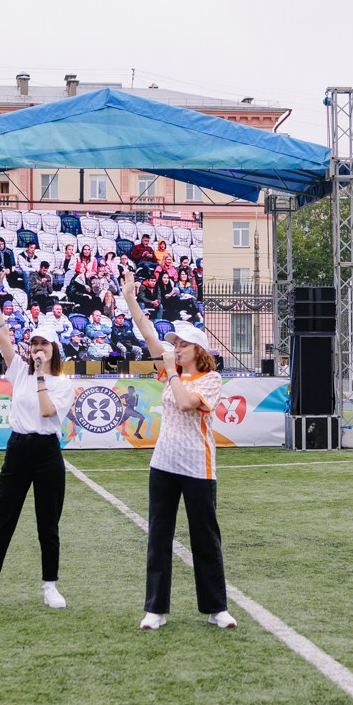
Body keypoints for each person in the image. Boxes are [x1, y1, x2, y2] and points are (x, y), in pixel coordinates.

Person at [123, 269, 235, 631]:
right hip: (164, 464)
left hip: (198, 468)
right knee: (159, 536)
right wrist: (130, 300)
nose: (176, 348)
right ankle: (155, 609)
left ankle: (216, 608)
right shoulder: (172, 369)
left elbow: (188, 404)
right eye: (176, 344)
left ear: (197, 350)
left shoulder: (210, 379)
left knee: (205, 538)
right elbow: (149, 335)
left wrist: (171, 372)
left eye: (183, 345)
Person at [0, 275, 76, 612]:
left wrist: (42, 375)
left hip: (47, 452)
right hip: (17, 449)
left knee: (48, 525)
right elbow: (2, 335)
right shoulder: (18, 370)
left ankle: (50, 586)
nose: (37, 350)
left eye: (43, 345)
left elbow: (48, 412)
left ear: (54, 349)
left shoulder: (63, 382)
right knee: (4, 521)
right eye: (34, 345)